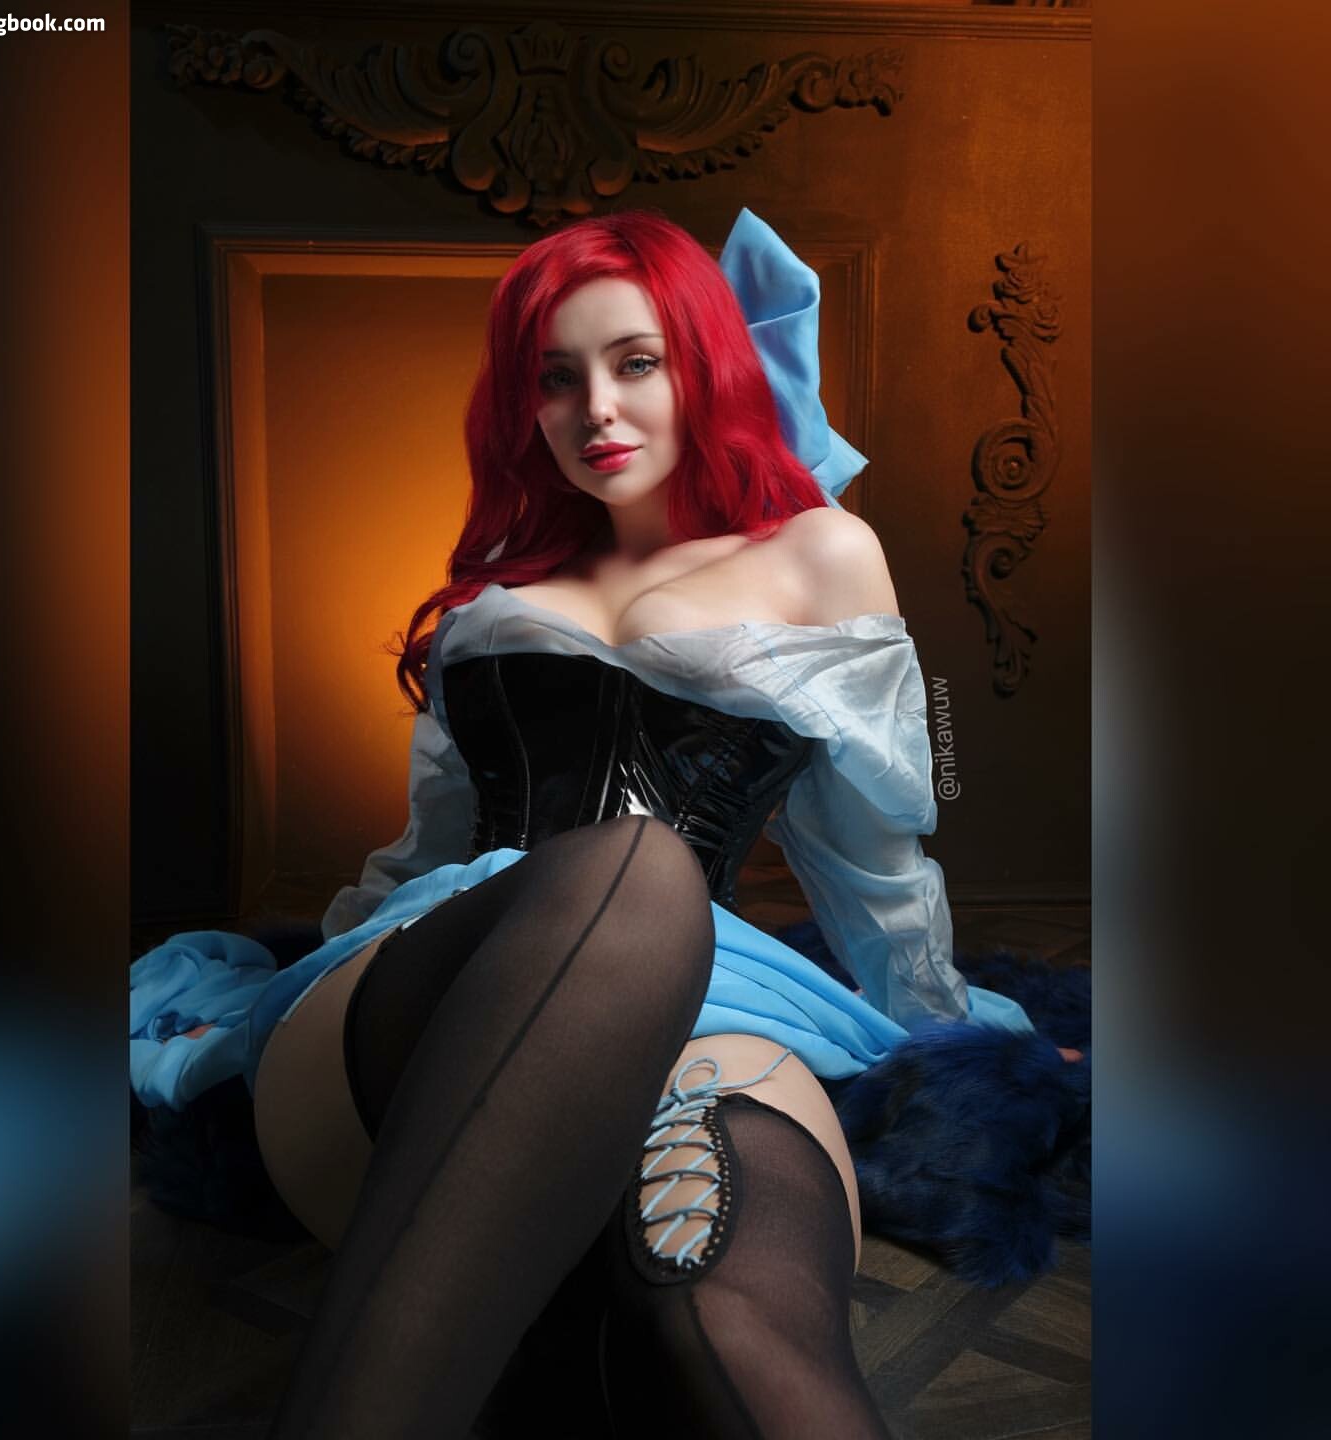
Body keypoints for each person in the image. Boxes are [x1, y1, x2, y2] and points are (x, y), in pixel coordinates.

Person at [131, 208, 1035, 1438]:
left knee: (741, 1322)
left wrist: (958, 1045)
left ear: (704, 368)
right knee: (638, 868)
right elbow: (428, 852)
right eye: (557, 379)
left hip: (726, 1009)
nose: (595, 410)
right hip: (434, 992)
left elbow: (873, 857)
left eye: (636, 362)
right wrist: (285, 981)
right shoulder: (491, 601)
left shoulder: (824, 554)